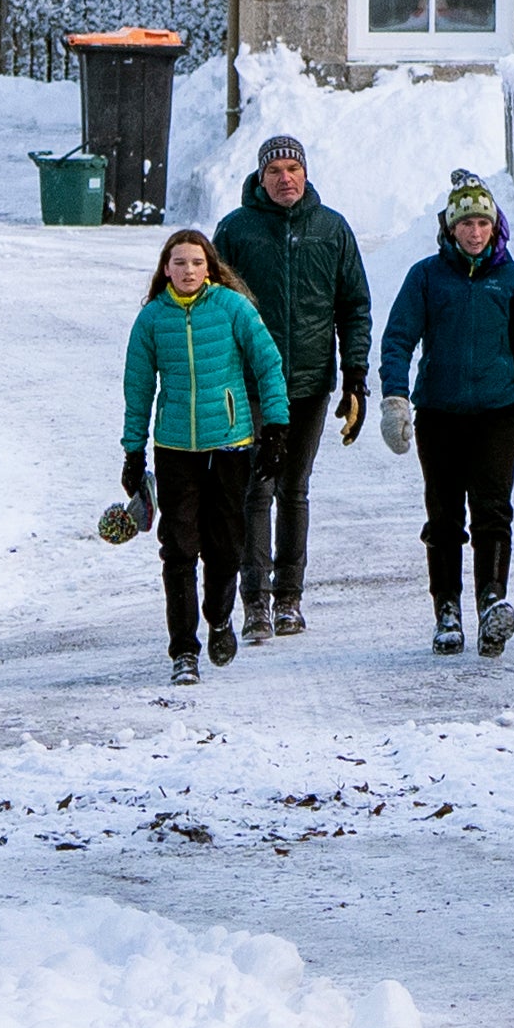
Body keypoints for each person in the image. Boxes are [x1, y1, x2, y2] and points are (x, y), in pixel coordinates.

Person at [208, 131, 375, 638]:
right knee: (256, 487)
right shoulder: (236, 231)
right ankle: (255, 598)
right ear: (261, 178)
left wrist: (355, 376)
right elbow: (216, 308)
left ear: (306, 173)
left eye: (294, 170)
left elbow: (354, 307)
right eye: (275, 171)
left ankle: (289, 598)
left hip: (308, 382)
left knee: (295, 488)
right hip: (252, 384)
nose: (286, 179)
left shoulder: (331, 230)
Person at [376, 171, 514, 657]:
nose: (474, 232)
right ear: (450, 229)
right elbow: (398, 339)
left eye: (482, 223)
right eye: (465, 223)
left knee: (493, 512)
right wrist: (395, 399)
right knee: (444, 515)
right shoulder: (427, 276)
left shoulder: (512, 279)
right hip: (441, 415)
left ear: (495, 228)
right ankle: (446, 609)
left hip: (497, 413)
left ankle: (492, 601)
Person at [121, 227, 289, 686]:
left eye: (196, 262)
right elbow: (137, 388)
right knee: (178, 549)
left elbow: (268, 364)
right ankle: (184, 651)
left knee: (224, 545)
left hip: (230, 444)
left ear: (210, 267)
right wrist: (133, 451)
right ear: (165, 269)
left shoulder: (234, 309)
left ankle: (218, 617)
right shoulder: (153, 319)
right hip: (175, 448)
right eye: (179, 263)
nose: (188, 270)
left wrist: (275, 428)